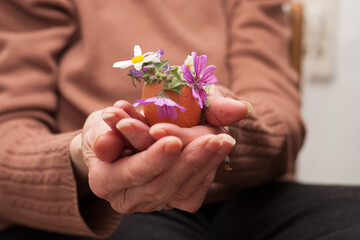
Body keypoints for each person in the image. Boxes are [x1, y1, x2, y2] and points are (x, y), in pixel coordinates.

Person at [0, 0, 359, 239]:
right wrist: (82, 154)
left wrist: (225, 125)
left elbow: (279, 113)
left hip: (254, 196)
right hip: (109, 205)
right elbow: (9, 136)